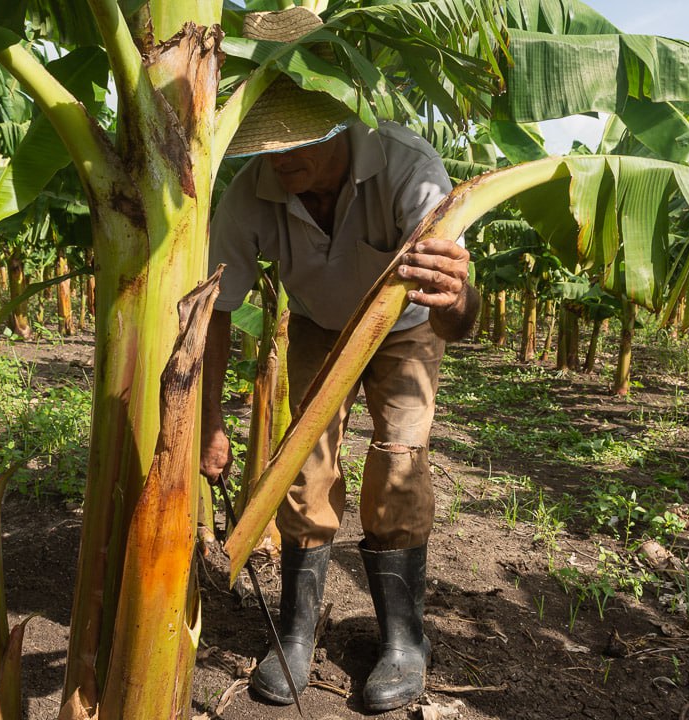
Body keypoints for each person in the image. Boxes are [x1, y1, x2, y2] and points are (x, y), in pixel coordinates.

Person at [200, 7, 480, 712]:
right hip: (321, 326)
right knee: (304, 466)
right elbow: (216, 310)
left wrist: (454, 294)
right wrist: (208, 422)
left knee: (400, 460)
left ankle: (403, 641)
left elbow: (462, 322)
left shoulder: (408, 168)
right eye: (268, 147)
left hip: (407, 328)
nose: (281, 162)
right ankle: (297, 632)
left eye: (297, 145)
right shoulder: (252, 190)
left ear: (338, 123)